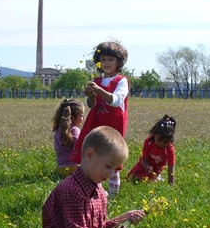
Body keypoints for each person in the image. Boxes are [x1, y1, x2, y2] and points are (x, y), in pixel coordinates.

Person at [18, 126, 146, 228]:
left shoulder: (99, 191)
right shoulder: (71, 191)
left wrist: (122, 219)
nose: (111, 173)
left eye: (115, 169)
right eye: (108, 166)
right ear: (90, 154)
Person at [69, 40, 130, 195]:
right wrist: (90, 95)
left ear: (118, 61)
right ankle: (90, 189)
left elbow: (116, 101)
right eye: (103, 60)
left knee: (111, 154)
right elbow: (91, 104)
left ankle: (113, 194)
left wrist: (99, 90)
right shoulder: (96, 80)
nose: (106, 63)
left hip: (113, 125)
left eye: (110, 59)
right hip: (96, 123)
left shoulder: (121, 81)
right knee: (93, 153)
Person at [128, 115, 176, 184]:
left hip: (156, 168)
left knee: (146, 180)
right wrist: (147, 166)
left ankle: (157, 177)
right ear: (154, 135)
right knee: (131, 177)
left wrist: (171, 184)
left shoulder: (169, 148)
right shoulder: (149, 142)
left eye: (165, 142)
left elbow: (171, 166)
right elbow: (144, 159)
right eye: (159, 141)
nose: (161, 144)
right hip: (144, 165)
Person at [52, 98, 85, 176]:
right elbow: (81, 149)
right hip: (75, 168)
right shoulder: (75, 130)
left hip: (61, 169)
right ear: (73, 118)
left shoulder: (57, 130)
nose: (83, 119)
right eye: (82, 116)